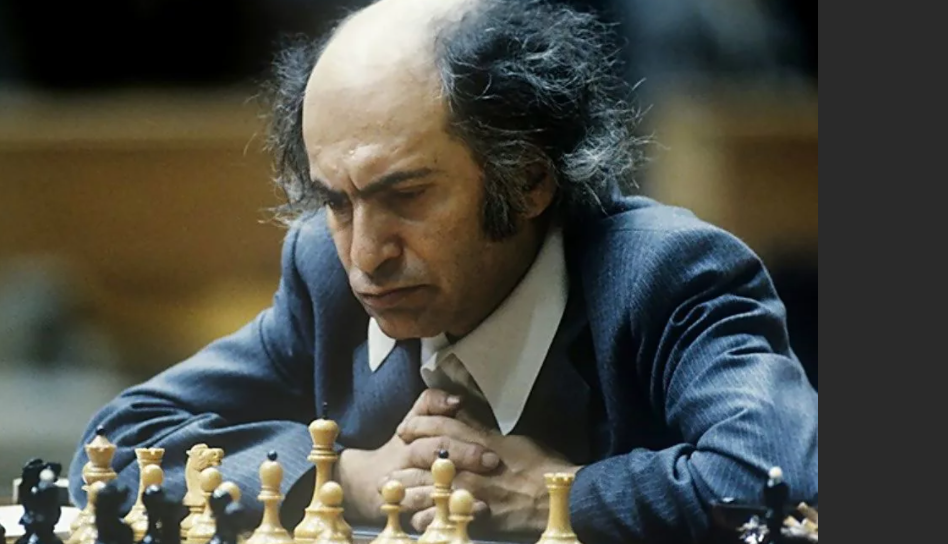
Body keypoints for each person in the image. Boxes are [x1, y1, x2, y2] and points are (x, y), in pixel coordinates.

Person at [68, 0, 819, 542]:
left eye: (406, 196)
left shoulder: (666, 275)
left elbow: (784, 479)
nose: (366, 256)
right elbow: (116, 445)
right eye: (337, 203)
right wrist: (345, 477)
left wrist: (555, 497)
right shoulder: (324, 275)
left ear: (528, 178)